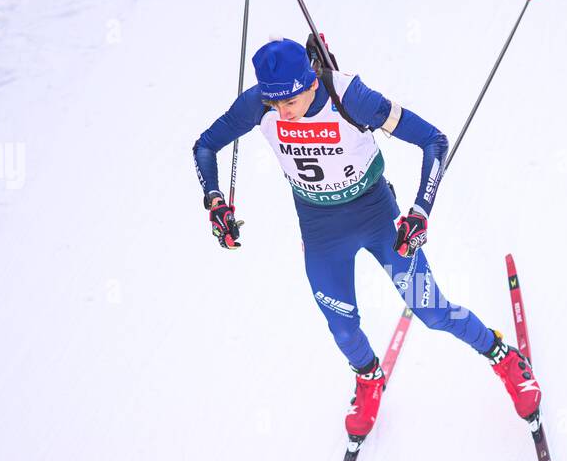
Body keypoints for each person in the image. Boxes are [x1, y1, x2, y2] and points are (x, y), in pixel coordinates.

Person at [192, 36, 540, 437]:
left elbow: (434, 141)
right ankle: (369, 378)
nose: (282, 114)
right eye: (274, 106)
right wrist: (216, 201)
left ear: (309, 84)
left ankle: (503, 356)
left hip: (376, 216)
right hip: (321, 231)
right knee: (342, 326)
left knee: (431, 310)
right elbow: (205, 146)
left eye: (289, 103)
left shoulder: (350, 97)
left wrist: (420, 211)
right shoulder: (260, 103)